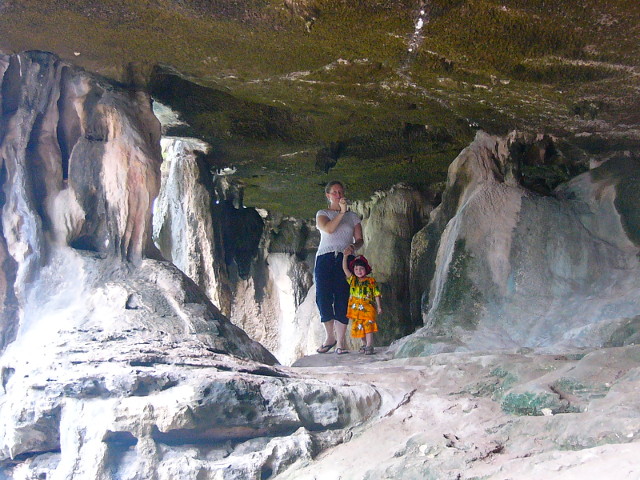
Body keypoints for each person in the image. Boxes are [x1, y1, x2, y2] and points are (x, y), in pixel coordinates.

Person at [315, 181, 363, 355]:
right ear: (328, 195)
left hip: (345, 258)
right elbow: (328, 229)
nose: (338, 194)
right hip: (325, 257)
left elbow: (359, 239)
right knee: (323, 296)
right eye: (334, 192)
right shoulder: (323, 214)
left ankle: (341, 342)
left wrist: (354, 247)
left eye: (340, 192)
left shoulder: (353, 217)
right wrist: (342, 212)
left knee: (343, 296)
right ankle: (330, 337)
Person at [341, 253, 382, 355]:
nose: (358, 271)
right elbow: (345, 269)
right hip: (356, 311)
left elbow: (377, 294)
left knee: (368, 327)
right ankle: (364, 344)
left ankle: (369, 345)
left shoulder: (371, 281)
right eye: (356, 269)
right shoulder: (353, 280)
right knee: (360, 328)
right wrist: (345, 256)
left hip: (368, 309)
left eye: (361, 269)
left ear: (366, 269)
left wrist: (379, 306)